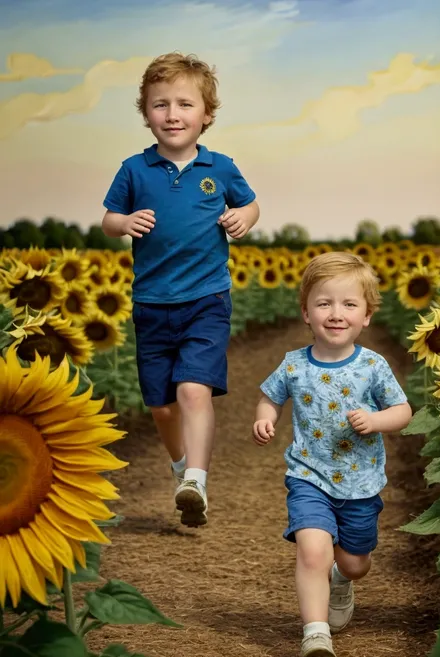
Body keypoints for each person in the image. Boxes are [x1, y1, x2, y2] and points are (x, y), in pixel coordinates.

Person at [102, 52, 259, 527]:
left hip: (206, 301)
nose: (173, 114)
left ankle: (196, 478)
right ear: (145, 113)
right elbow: (109, 220)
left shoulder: (221, 167)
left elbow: (251, 206)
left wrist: (241, 220)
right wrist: (124, 222)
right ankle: (178, 467)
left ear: (206, 114)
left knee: (194, 391)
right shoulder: (134, 169)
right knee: (161, 407)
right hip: (151, 305)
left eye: (185, 104)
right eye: (160, 105)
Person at [252, 252, 412, 657]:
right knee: (312, 551)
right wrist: (265, 418)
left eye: (348, 304)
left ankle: (342, 583)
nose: (336, 313)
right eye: (324, 303)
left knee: (354, 562)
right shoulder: (293, 363)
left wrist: (376, 419)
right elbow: (270, 394)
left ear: (367, 316)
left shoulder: (373, 366)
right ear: (306, 312)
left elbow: (403, 411)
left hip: (360, 482)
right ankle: (315, 634)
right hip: (308, 475)